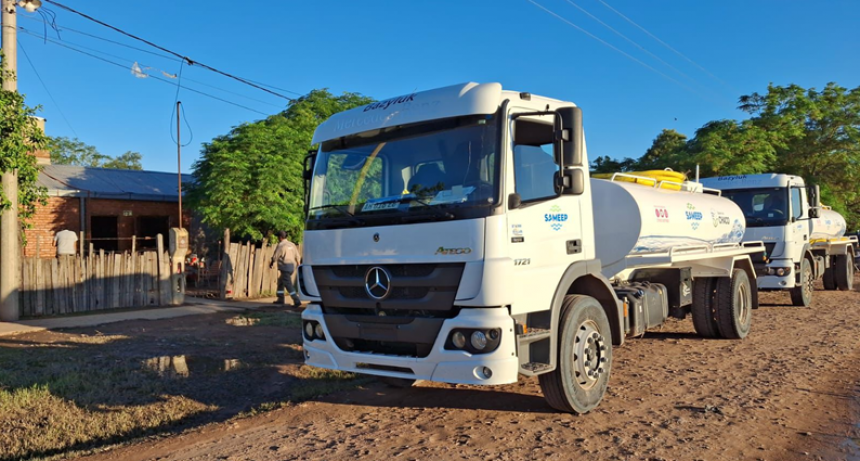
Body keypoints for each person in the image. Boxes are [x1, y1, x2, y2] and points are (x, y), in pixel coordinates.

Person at [269, 231, 301, 307]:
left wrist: (271, 263)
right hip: (291, 267)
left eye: (278, 237)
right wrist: (298, 264)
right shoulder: (292, 244)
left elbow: (275, 256)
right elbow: (298, 256)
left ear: (280, 237)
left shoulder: (281, 245)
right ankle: (280, 299)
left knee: (288, 284)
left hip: (285, 267)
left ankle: (296, 300)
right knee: (280, 282)